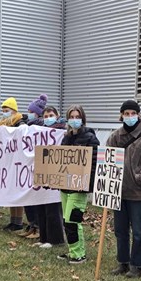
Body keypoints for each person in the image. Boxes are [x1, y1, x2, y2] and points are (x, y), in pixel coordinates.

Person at [106, 100, 141, 278]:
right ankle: (123, 262)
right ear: (121, 115)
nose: (129, 116)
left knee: (138, 232)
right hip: (118, 192)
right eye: (126, 113)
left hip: (138, 193)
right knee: (120, 230)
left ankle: (137, 265)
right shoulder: (115, 137)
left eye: (132, 113)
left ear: (138, 114)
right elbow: (107, 159)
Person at [57, 104, 100, 264]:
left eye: (77, 117)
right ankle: (73, 251)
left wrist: (87, 184)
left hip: (79, 188)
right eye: (72, 117)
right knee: (66, 220)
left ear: (82, 118)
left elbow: (94, 164)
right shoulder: (66, 138)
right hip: (65, 186)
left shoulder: (90, 138)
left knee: (73, 220)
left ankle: (79, 254)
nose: (74, 120)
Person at [34, 106, 66, 248]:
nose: (48, 118)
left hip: (56, 172)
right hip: (41, 170)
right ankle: (43, 237)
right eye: (45, 116)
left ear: (57, 116)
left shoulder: (62, 132)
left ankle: (55, 239)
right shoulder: (37, 131)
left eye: (51, 115)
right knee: (41, 205)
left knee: (53, 207)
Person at [18, 94, 48, 239]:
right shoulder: (25, 126)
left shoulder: (43, 128)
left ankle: (37, 227)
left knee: (35, 198)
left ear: (37, 113)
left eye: (31, 112)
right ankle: (31, 224)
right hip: (26, 167)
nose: (28, 114)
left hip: (37, 167)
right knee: (26, 197)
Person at [0, 97, 26, 231]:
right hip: (7, 162)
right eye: (3, 110)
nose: (5, 113)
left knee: (17, 193)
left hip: (18, 162)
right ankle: (12, 220)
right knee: (10, 192)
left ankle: (19, 222)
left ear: (14, 111)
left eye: (7, 110)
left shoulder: (20, 123)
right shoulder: (2, 124)